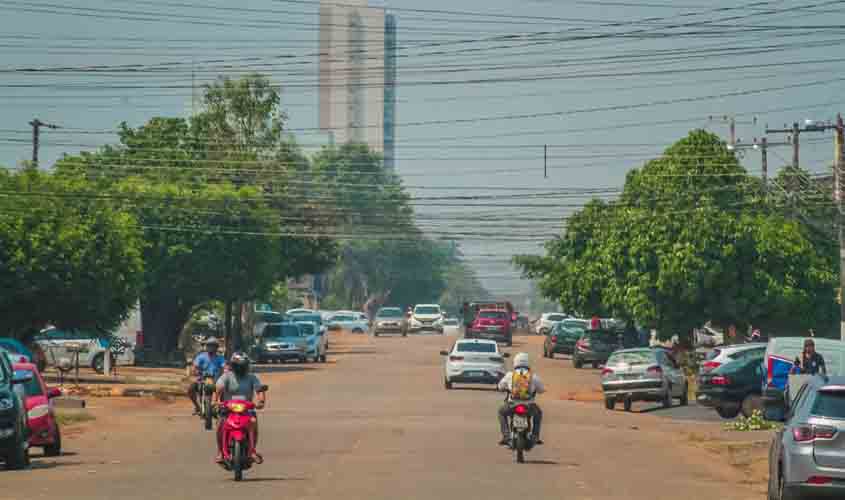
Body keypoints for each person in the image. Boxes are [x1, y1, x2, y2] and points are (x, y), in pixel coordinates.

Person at [214, 352, 266, 464]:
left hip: (247, 409)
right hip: (228, 409)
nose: (241, 368)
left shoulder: (252, 377)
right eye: (238, 366)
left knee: (253, 422)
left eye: (243, 365)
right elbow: (218, 389)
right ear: (233, 366)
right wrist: (216, 401)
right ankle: (220, 452)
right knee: (220, 424)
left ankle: (252, 451)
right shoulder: (226, 376)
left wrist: (261, 401)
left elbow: (260, 390)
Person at [497, 352, 545, 446]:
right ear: (528, 363)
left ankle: (506, 436)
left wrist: (503, 388)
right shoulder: (533, 376)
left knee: (501, 412)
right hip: (529, 406)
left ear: (515, 362)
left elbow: (500, 386)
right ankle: (535, 436)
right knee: (538, 414)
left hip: (512, 405)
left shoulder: (510, 375)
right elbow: (541, 390)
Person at [188, 337, 226, 415]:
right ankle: (197, 406)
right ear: (206, 346)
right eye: (209, 345)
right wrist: (195, 371)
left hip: (216, 380)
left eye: (213, 346)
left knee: (225, 390)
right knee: (190, 389)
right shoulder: (201, 356)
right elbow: (195, 366)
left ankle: (221, 407)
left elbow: (224, 366)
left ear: (216, 347)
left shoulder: (220, 357)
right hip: (202, 379)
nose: (211, 348)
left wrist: (225, 371)